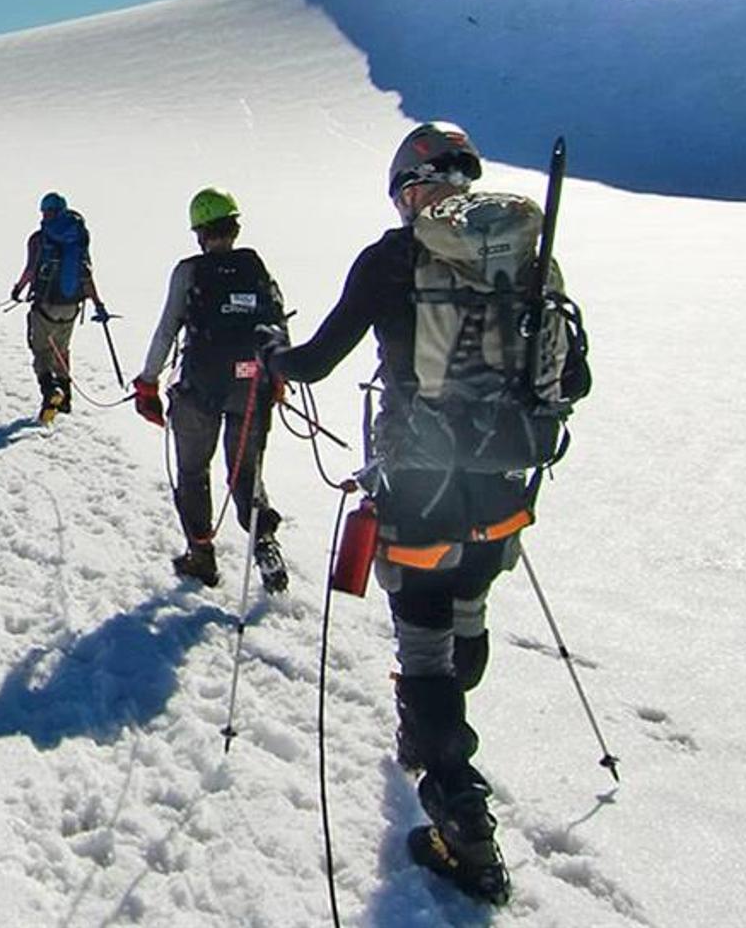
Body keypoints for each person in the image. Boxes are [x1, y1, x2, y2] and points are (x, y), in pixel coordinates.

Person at [264, 121, 526, 906]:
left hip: (418, 486)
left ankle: (462, 822)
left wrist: (275, 355)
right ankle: (435, 732)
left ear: (411, 189)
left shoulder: (389, 259)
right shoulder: (519, 257)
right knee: (466, 617)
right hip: (505, 487)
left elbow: (315, 360)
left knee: (423, 650)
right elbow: (569, 376)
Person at [131, 187, 289, 593]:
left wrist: (148, 380)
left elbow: (168, 328)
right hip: (251, 383)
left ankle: (201, 555)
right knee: (246, 470)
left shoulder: (190, 271)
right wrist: (277, 377)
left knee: (193, 471)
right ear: (234, 226)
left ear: (199, 230)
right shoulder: (256, 267)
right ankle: (265, 541)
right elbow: (277, 324)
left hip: (200, 386)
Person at [9, 192, 105, 421]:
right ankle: (66, 400)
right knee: (62, 351)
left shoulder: (39, 239)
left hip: (46, 305)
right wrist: (98, 304)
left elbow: (31, 270)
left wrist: (18, 289)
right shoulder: (79, 238)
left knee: (41, 351)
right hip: (71, 306)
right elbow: (86, 275)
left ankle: (50, 391)